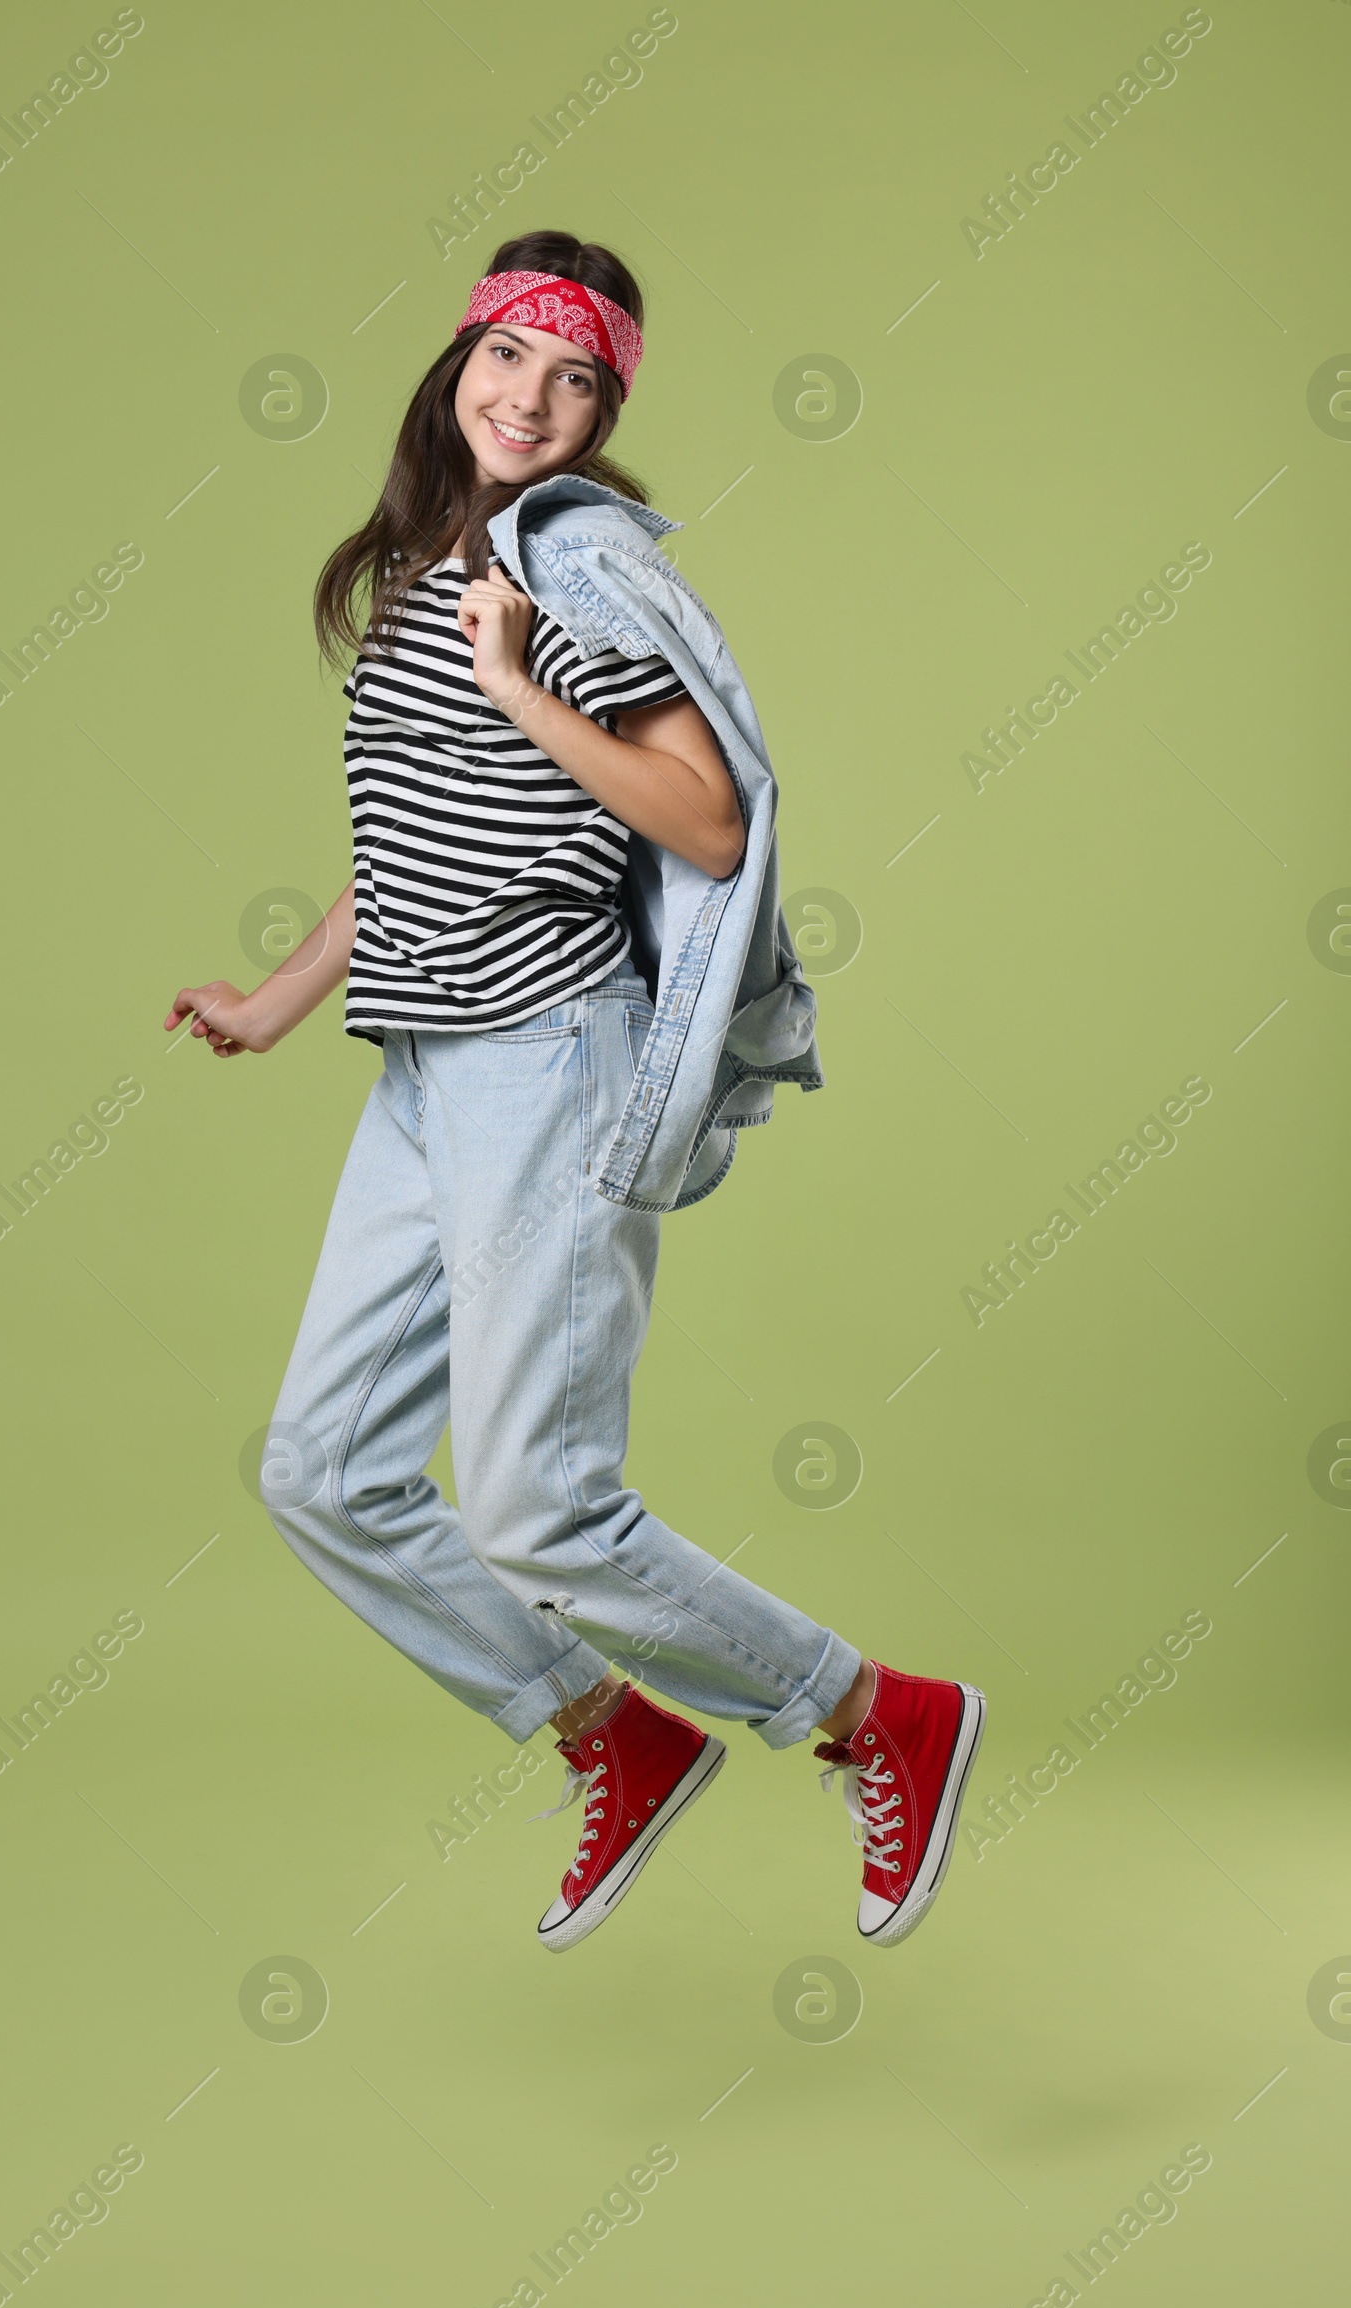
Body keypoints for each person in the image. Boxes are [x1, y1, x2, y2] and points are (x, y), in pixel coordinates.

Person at [165, 230, 986, 1954]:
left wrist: (525, 687)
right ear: (457, 359)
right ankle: (609, 1731)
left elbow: (709, 818)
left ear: (607, 407)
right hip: (424, 1068)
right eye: (508, 359)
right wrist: (276, 1000)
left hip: (549, 1059)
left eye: (576, 379)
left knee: (535, 1497)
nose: (530, 401)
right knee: (324, 1470)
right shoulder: (433, 558)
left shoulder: (577, 555)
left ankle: (878, 1714)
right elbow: (407, 835)